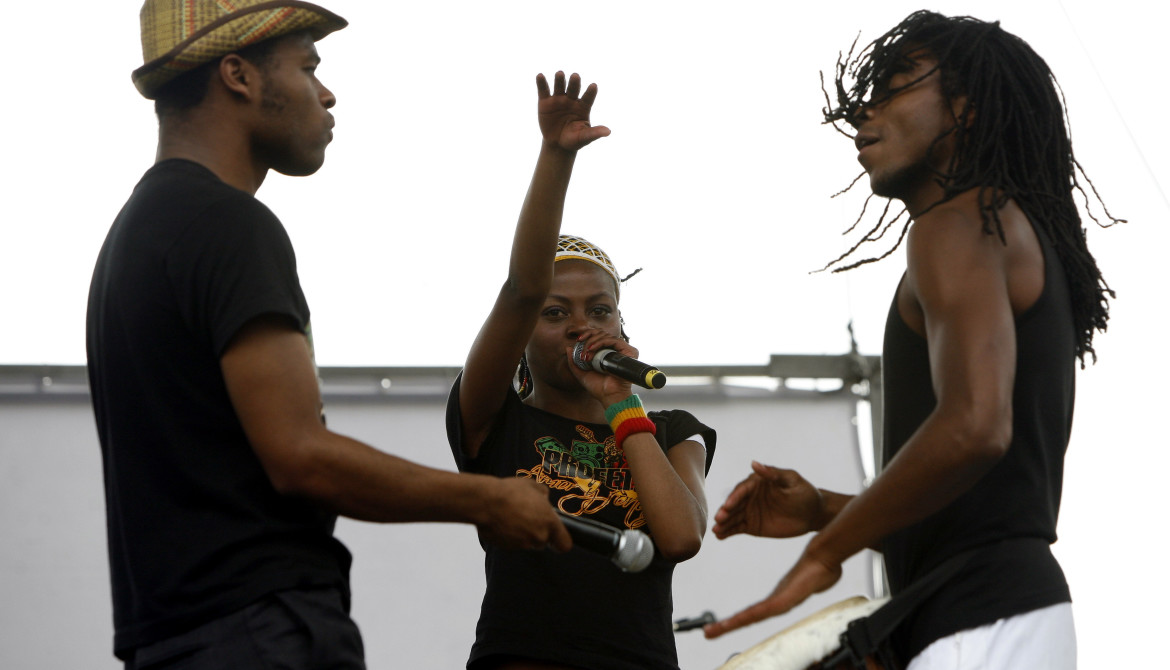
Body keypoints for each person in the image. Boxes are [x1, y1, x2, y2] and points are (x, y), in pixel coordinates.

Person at [86, 2, 570, 667]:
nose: (327, 92)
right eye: (307, 67)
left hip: (174, 639)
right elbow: (299, 455)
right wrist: (490, 499)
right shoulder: (227, 224)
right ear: (238, 75)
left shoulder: (136, 234)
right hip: (259, 631)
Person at [703, 10, 1118, 669]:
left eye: (896, 85)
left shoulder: (956, 223)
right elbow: (982, 507)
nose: (864, 112)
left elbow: (976, 427)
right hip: (1003, 613)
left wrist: (827, 550)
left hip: (981, 620)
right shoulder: (997, 227)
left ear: (965, 108)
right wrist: (825, 509)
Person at [445, 71, 716, 670]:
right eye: (554, 313)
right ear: (521, 335)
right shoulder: (496, 419)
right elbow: (520, 289)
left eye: (599, 310)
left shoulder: (673, 430)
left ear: (621, 323)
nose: (579, 325)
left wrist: (621, 403)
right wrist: (556, 156)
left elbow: (680, 537)